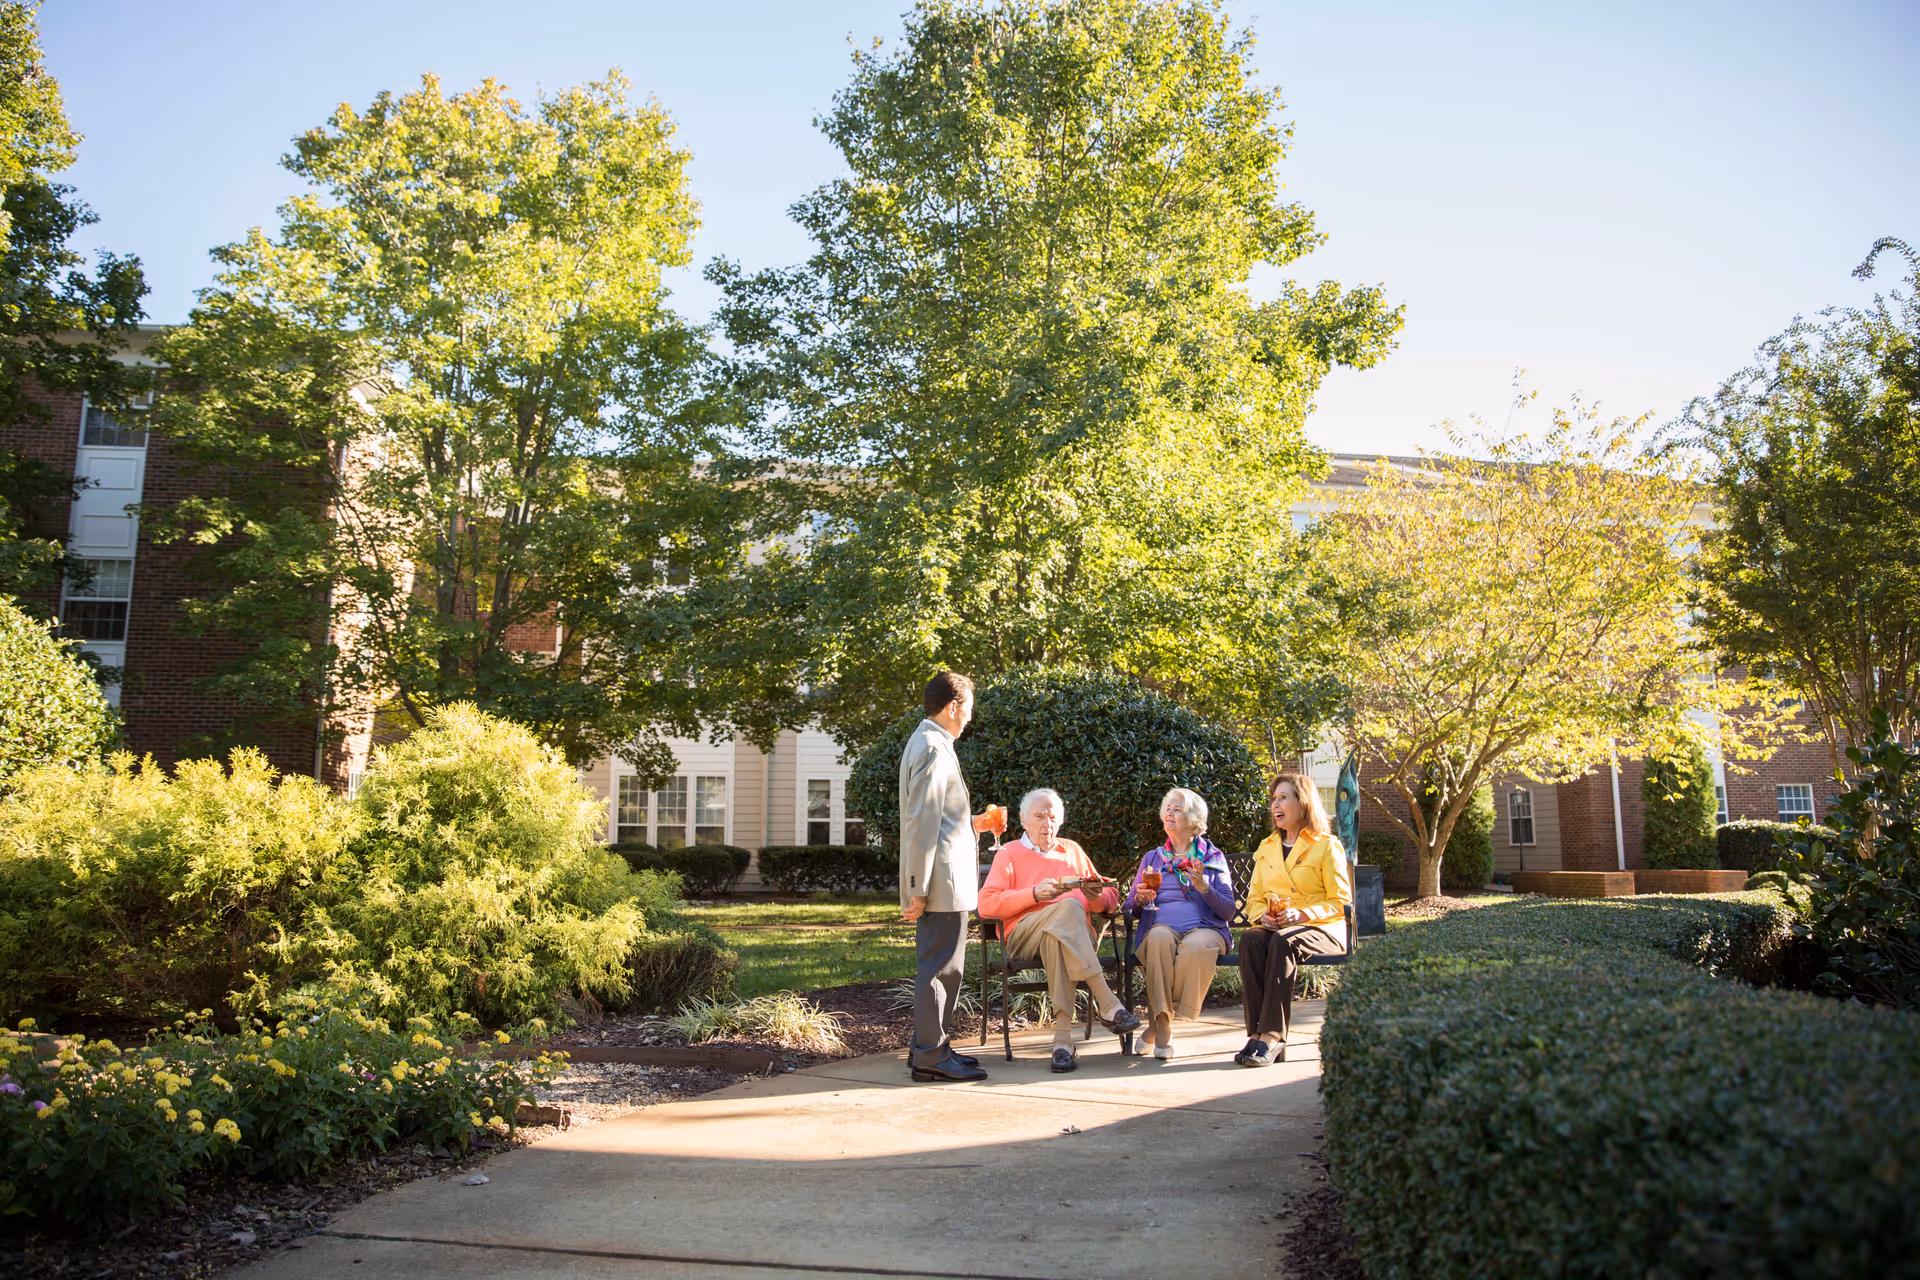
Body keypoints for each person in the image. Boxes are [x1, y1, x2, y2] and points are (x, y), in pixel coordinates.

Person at [977, 788, 1141, 1073]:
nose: (1047, 824)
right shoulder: (1009, 853)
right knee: (1066, 908)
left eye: (1053, 817)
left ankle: (1063, 1042)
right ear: (1024, 820)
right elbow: (986, 905)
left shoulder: (1072, 850)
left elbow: (1109, 900)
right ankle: (1107, 1002)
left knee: (1059, 934)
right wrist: (1032, 895)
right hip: (1024, 936)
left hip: (1070, 935)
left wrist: (1094, 895)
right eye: (1039, 816)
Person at [899, 672, 1004, 1083]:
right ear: (953, 706)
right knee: (941, 969)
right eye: (969, 710)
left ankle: (931, 1047)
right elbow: (920, 823)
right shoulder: (932, 748)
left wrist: (974, 823)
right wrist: (918, 888)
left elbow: (939, 819)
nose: (969, 719)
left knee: (944, 968)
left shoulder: (931, 744)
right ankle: (930, 1056)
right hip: (941, 884)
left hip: (944, 880)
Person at [1234, 771, 1353, 1066]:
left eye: (1283, 797)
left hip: (1322, 929)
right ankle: (1256, 1034)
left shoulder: (1327, 845)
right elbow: (1254, 899)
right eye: (1274, 798)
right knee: (1251, 939)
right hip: (1280, 928)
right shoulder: (1267, 847)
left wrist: (1302, 914)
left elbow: (1341, 901)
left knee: (1283, 942)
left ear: (1304, 804)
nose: (1276, 804)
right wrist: (1262, 915)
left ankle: (1273, 1035)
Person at [1124, 787, 1236, 1060]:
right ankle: (1163, 1028)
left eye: (1178, 809)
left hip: (1206, 928)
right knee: (1159, 939)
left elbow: (1229, 911)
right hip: (1160, 927)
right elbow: (1129, 908)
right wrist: (1139, 900)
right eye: (1167, 809)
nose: (1170, 813)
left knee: (1196, 947)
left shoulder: (1211, 857)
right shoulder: (1153, 858)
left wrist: (1203, 886)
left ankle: (1158, 1023)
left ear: (1194, 819)